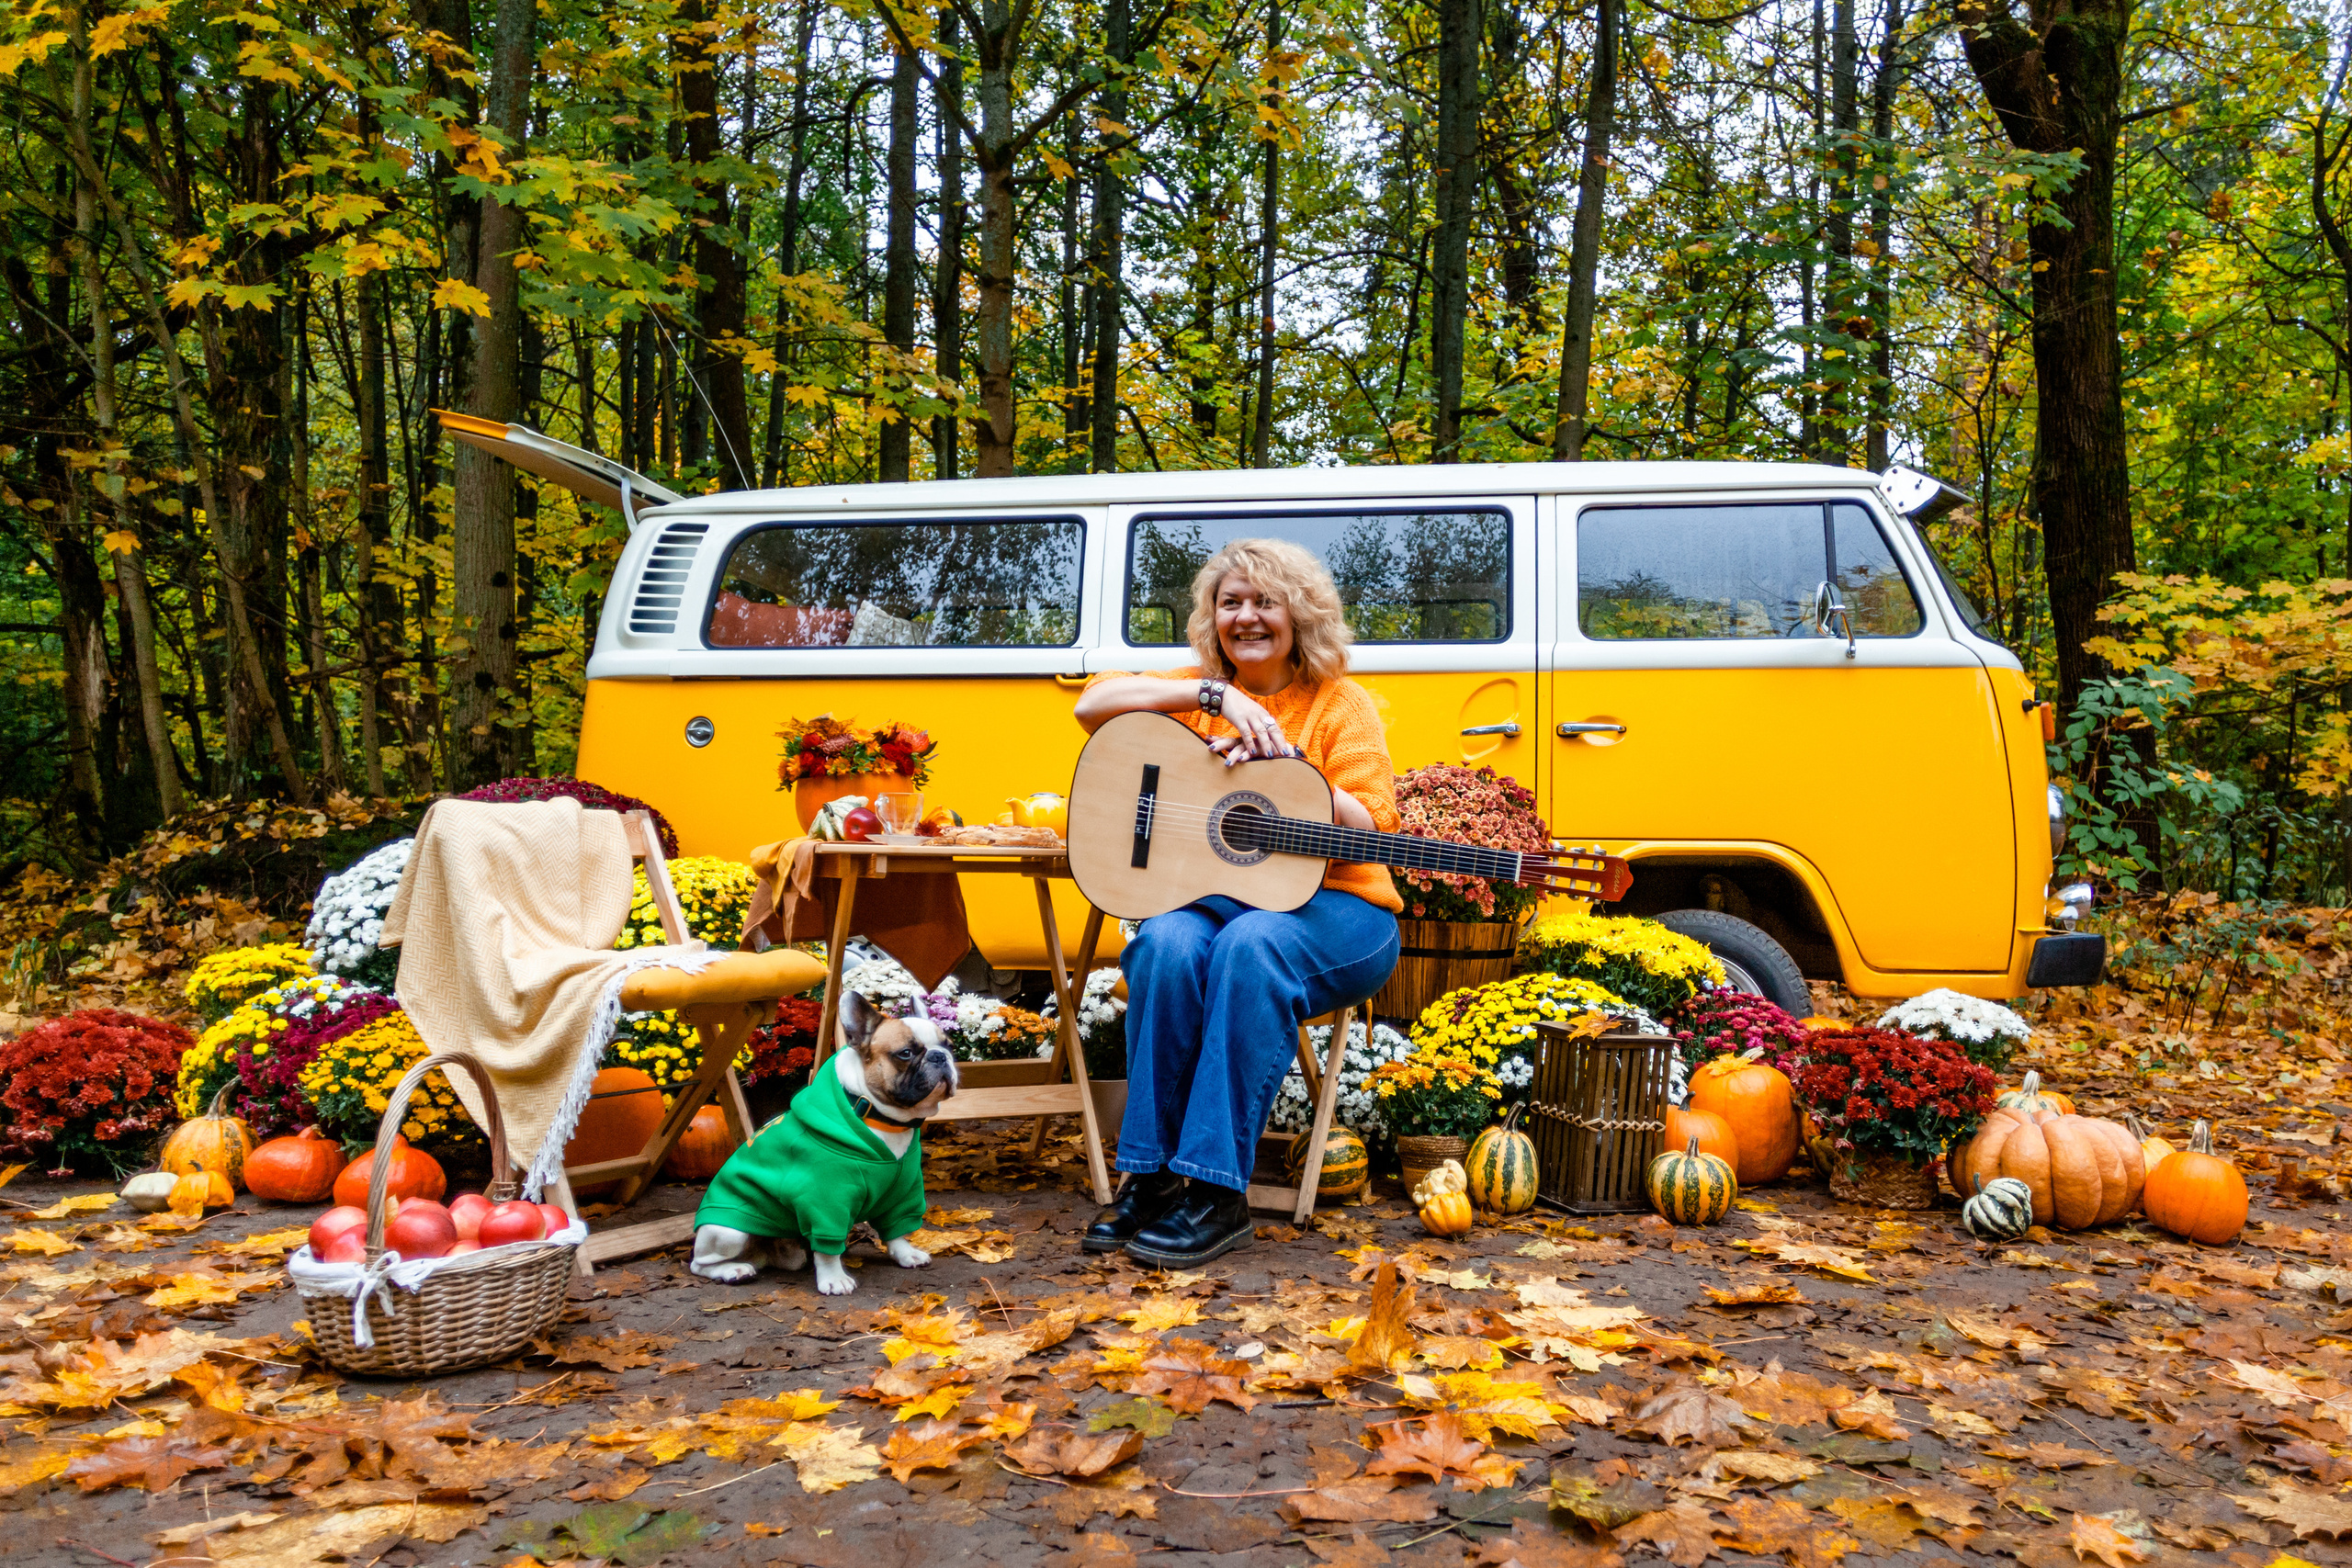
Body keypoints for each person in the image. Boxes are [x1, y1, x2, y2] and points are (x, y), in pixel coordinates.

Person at [1072, 538, 1402, 1266]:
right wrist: (1211, 694)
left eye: (1265, 601)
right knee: (1164, 941)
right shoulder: (1196, 694)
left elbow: (1376, 829)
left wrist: (1295, 772)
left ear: (1300, 614)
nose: (1246, 617)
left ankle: (1217, 1193)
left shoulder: (1339, 703)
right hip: (1224, 902)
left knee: (1252, 946)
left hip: (1345, 911)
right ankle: (1152, 1175)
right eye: (1231, 603)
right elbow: (1092, 705)